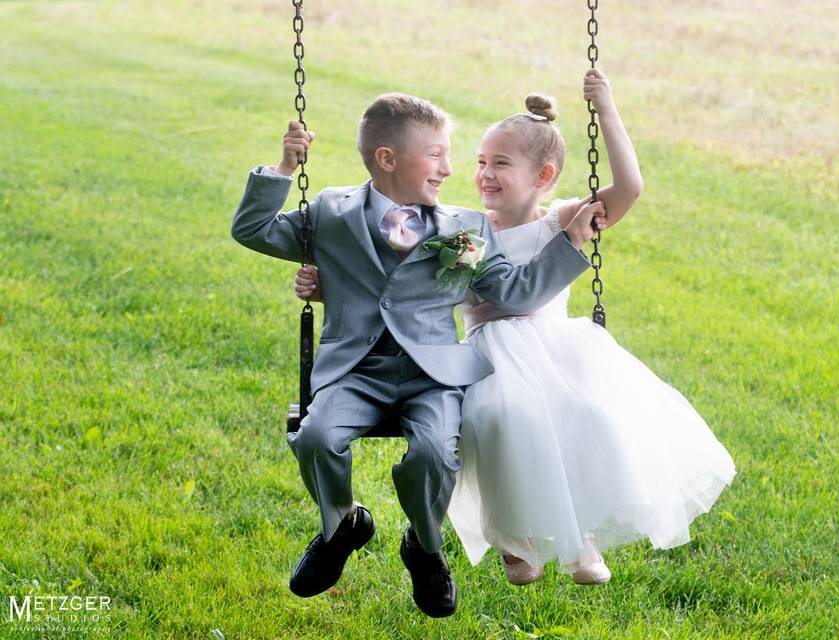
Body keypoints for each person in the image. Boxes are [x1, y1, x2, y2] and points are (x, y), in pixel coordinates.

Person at [297, 68, 735, 587]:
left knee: (585, 412)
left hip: (555, 345)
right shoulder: (461, 228)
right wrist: (335, 289)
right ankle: (514, 539)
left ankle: (581, 537)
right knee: (497, 415)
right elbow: (416, 288)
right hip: (488, 351)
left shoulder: (562, 218)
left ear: (543, 176)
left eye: (499, 164)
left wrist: (606, 110)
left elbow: (630, 188)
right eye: (480, 162)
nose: (482, 174)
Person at [231, 93, 600, 617]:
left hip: (431, 375)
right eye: (437, 155)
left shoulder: (461, 227)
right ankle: (342, 525)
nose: (451, 168)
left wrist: (571, 243)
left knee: (433, 455)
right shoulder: (333, 213)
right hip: (354, 371)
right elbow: (253, 230)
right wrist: (285, 168)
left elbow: (513, 293)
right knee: (315, 436)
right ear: (387, 159)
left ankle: (424, 548)